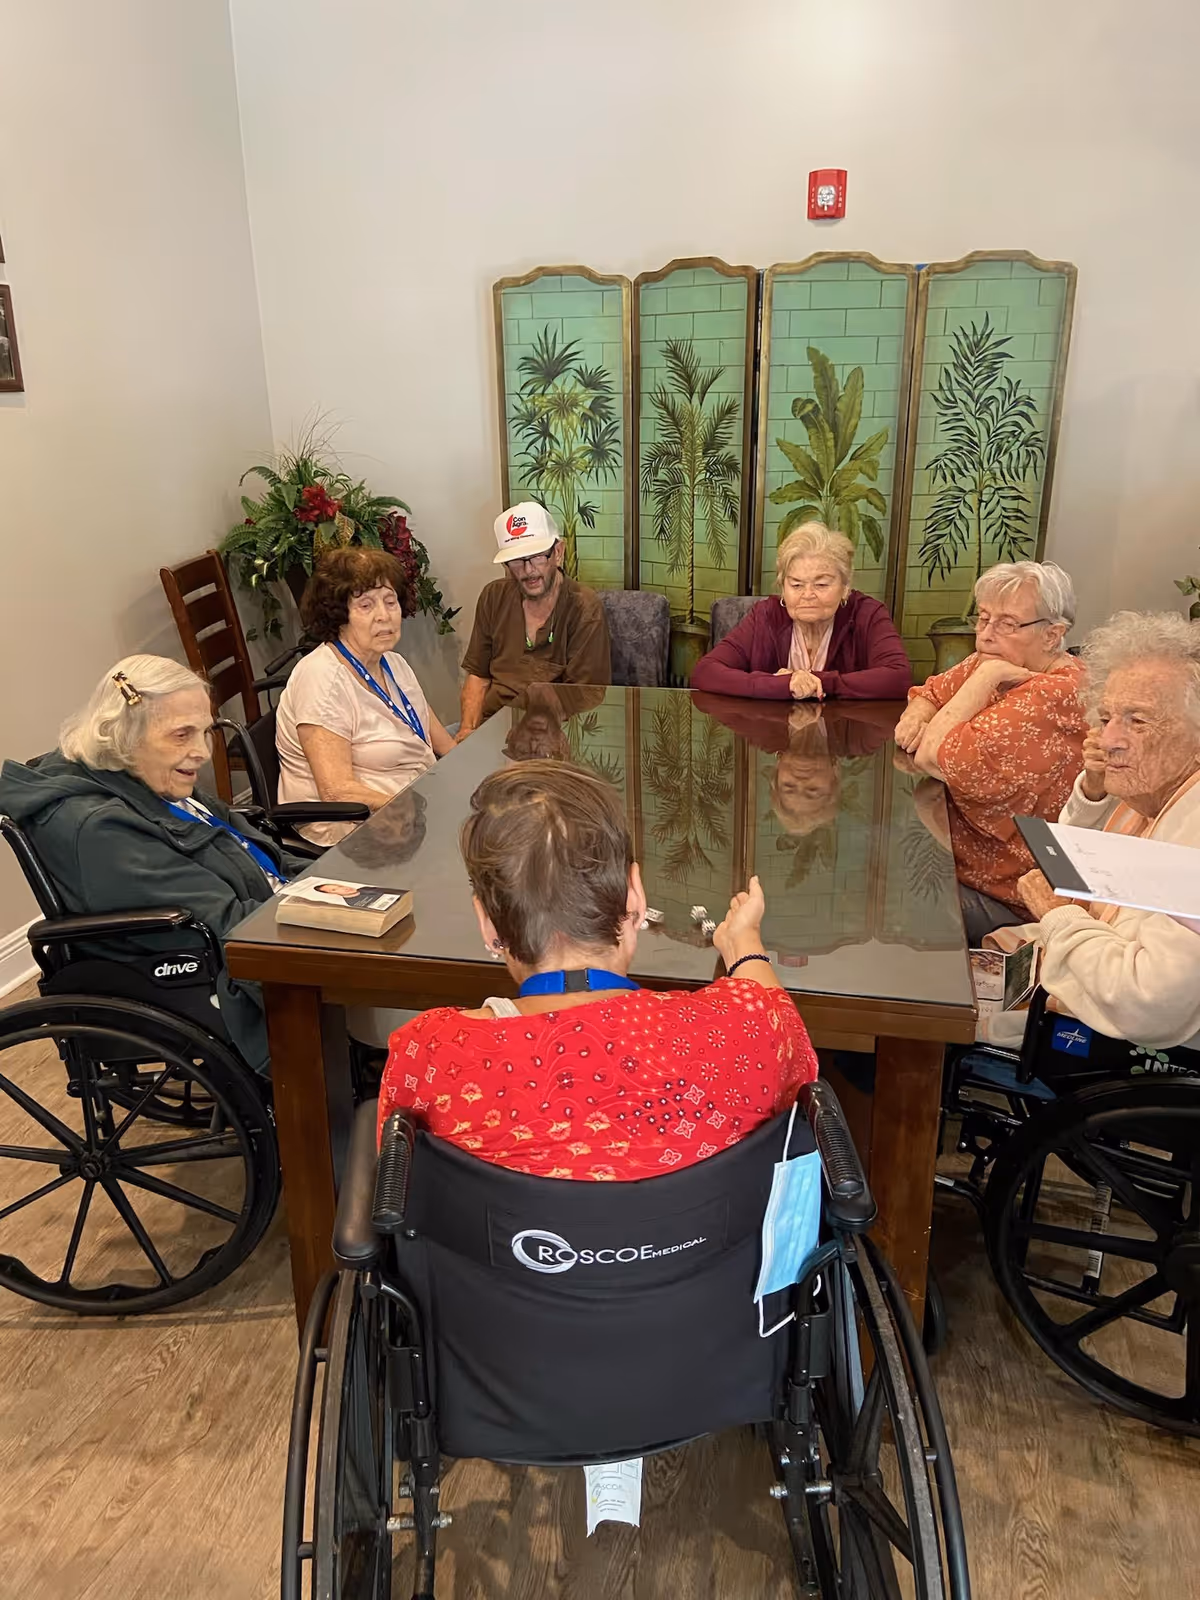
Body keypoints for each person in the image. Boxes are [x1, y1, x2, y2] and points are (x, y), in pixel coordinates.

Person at [377, 761, 817, 1177]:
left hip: (504, 1256)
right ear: (636, 898)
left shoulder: (429, 1051)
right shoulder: (746, 1030)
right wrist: (744, 943)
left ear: (488, 924)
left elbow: (398, 1174)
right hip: (718, 1257)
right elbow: (778, 1022)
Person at [0, 656, 304, 1071]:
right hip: (208, 967)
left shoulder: (150, 780)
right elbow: (227, 924)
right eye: (181, 735)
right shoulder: (102, 830)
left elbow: (243, 845)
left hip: (268, 908)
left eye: (205, 732)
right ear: (124, 737)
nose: (200, 752)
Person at [989, 612, 1200, 1049]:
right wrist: (1094, 787)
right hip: (1079, 992)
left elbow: (1145, 1001)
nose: (1108, 740)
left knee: (910, 1027)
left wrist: (1057, 916)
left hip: (1114, 1051)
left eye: (1137, 721)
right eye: (1106, 719)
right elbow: (1067, 862)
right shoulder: (1153, 796)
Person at [894, 560, 1086, 944]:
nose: (985, 636)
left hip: (1010, 892)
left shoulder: (1055, 693)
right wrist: (921, 712)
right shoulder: (1000, 659)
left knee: (891, 903)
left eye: (1008, 624)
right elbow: (931, 691)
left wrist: (984, 678)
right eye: (983, 619)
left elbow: (931, 756)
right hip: (960, 849)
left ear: (1053, 634)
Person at [275, 548, 455, 847]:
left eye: (390, 601)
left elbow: (443, 745)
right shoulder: (323, 678)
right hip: (355, 834)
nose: (383, 616)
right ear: (339, 614)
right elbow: (336, 792)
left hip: (413, 811)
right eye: (365, 605)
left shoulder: (394, 663)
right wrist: (418, 810)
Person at [690, 522, 912, 701]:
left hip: (845, 748)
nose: (808, 594)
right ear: (783, 588)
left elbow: (899, 678)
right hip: (773, 744)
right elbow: (705, 672)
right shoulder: (766, 616)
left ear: (845, 587)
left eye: (822, 584)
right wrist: (781, 684)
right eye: (796, 585)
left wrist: (822, 682)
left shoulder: (867, 614)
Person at [456, 503, 611, 739]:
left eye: (537, 557)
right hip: (493, 727)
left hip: (552, 734)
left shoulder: (584, 608)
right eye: (516, 561)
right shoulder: (493, 596)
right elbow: (478, 676)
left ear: (558, 552)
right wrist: (468, 730)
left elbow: (584, 698)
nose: (528, 571)